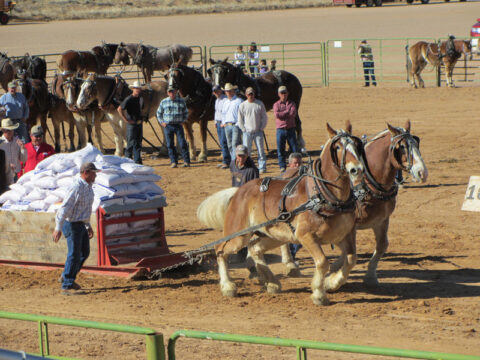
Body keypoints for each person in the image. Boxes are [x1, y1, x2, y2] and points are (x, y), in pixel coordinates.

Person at [52, 162, 99, 295]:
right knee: (74, 254)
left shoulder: (88, 187)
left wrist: (87, 225)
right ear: (86, 173)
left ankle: (67, 276)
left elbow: (85, 208)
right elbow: (65, 207)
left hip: (80, 224)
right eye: (94, 173)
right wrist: (58, 228)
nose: (95, 175)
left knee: (84, 252)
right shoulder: (76, 187)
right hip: (71, 224)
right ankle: (67, 284)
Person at [156, 87, 190, 168]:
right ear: (168, 93)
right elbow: (159, 113)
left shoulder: (181, 101)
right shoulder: (164, 102)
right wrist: (162, 122)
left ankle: (186, 161)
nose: (172, 93)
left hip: (178, 125)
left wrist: (183, 120)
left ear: (176, 92)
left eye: (173, 92)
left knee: (182, 143)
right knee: (170, 144)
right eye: (170, 92)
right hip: (168, 126)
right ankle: (173, 161)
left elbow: (186, 112)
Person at [237, 87, 268, 174]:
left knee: (261, 151)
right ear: (246, 95)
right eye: (249, 94)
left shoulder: (259, 104)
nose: (251, 95)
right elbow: (240, 119)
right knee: (247, 152)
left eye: (252, 94)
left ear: (254, 94)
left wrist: (261, 128)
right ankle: (248, 166)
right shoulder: (242, 105)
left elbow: (264, 117)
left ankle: (262, 167)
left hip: (258, 132)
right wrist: (243, 129)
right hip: (247, 133)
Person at [117, 81, 145, 164]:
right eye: (136, 88)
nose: (138, 90)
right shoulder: (129, 99)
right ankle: (128, 160)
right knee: (130, 142)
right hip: (132, 124)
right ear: (133, 89)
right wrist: (126, 120)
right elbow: (119, 109)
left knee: (138, 142)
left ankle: (137, 160)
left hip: (138, 123)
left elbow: (141, 109)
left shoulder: (140, 99)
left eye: (139, 88)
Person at [283, 152, 304, 260]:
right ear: (290, 164)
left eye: (299, 163)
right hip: (288, 211)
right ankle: (291, 255)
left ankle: (292, 255)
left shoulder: (305, 177)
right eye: (295, 163)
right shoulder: (285, 177)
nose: (297, 166)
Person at [273, 85, 298, 173]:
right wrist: (287, 111)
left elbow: (293, 114)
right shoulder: (276, 104)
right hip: (280, 129)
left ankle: (295, 164)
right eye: (282, 93)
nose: (284, 95)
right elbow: (277, 115)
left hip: (290, 129)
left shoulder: (292, 103)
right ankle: (282, 166)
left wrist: (282, 113)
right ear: (279, 94)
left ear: (288, 93)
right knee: (280, 149)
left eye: (285, 93)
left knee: (294, 148)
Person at [0, 118, 27, 185]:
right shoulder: (0, 143)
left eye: (12, 130)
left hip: (16, 174)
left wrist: (22, 148)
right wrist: (8, 166)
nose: (11, 132)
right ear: (3, 130)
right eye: (8, 130)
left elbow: (23, 160)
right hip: (4, 175)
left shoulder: (17, 141)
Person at [221, 83, 243, 160]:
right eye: (227, 91)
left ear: (233, 91)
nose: (228, 92)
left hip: (235, 125)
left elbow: (241, 114)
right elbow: (223, 113)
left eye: (230, 91)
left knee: (235, 144)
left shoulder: (239, 101)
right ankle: (235, 159)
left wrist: (238, 124)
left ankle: (234, 161)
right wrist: (224, 122)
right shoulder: (225, 102)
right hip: (227, 125)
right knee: (230, 144)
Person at [213, 85, 230, 169]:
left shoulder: (225, 100)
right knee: (221, 142)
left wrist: (223, 122)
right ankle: (225, 159)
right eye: (214, 92)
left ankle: (226, 161)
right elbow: (217, 112)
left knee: (224, 142)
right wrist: (215, 121)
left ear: (220, 91)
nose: (216, 93)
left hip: (223, 123)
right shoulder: (217, 100)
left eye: (217, 91)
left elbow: (225, 112)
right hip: (218, 122)